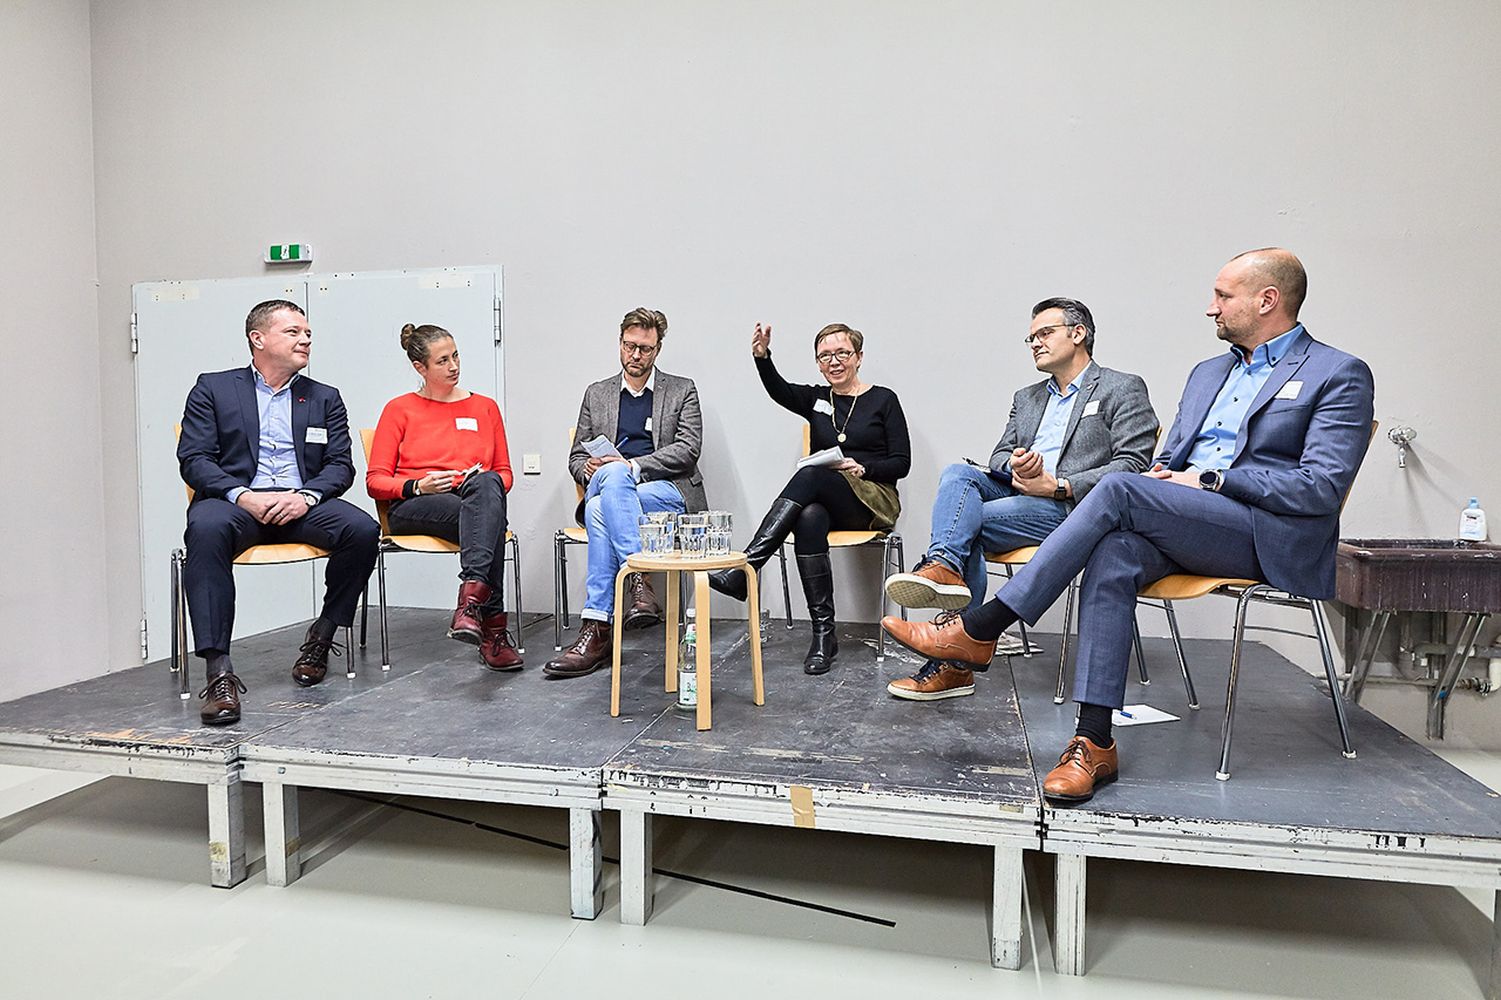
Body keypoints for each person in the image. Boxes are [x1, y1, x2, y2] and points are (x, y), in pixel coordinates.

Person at [882, 249, 1374, 802]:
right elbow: (1168, 458)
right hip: (1189, 520)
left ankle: (982, 626)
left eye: (1223, 296)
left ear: (1267, 300)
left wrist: (1209, 480)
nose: (1211, 308)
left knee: (1118, 488)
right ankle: (1094, 742)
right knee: (1114, 550)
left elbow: (1320, 487)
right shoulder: (1209, 372)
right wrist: (1169, 476)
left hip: (1265, 533)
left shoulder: (1337, 372)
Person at [881, 298, 1157, 701]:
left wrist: (1060, 484)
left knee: (967, 526)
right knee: (958, 473)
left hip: (1077, 508)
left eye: (1045, 333)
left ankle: (953, 661)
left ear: (1078, 334)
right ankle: (945, 568)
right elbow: (998, 454)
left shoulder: (1121, 386)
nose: (1035, 343)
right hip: (1020, 492)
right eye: (1031, 338)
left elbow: (1132, 465)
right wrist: (1014, 464)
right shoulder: (1027, 397)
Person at [178, 299, 380, 726]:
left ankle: (322, 635)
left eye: (307, 333)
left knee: (362, 529)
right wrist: (241, 495)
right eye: (293, 332)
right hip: (236, 504)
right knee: (205, 528)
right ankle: (218, 672)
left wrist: (306, 496)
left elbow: (340, 466)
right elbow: (194, 459)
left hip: (300, 503)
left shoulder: (324, 397)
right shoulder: (213, 389)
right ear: (258, 339)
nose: (305, 339)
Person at [708, 322, 911, 675]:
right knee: (808, 517)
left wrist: (864, 467)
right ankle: (823, 635)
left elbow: (902, 462)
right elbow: (779, 390)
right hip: (832, 501)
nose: (834, 361)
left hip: (874, 500)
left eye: (842, 353)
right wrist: (762, 357)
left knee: (811, 474)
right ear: (818, 363)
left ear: (859, 357)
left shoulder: (884, 399)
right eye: (825, 356)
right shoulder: (818, 399)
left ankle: (747, 566)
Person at [544, 307, 707, 678]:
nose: (636, 355)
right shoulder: (597, 393)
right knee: (609, 488)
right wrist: (586, 469)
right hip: (616, 491)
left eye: (645, 349)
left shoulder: (682, 389)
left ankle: (597, 629)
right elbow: (577, 456)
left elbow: (688, 449)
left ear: (657, 349)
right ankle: (639, 581)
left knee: (600, 505)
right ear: (619, 343)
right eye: (630, 346)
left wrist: (632, 467)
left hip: (667, 493)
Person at [366, 323, 520, 670]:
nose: (454, 366)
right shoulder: (399, 409)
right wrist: (419, 485)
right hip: (413, 505)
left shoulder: (485, 407)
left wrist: (471, 480)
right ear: (420, 367)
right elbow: (375, 481)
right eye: (442, 361)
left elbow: (504, 474)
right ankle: (492, 629)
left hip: (471, 499)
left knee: (487, 487)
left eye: (456, 356)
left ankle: (471, 602)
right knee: (489, 521)